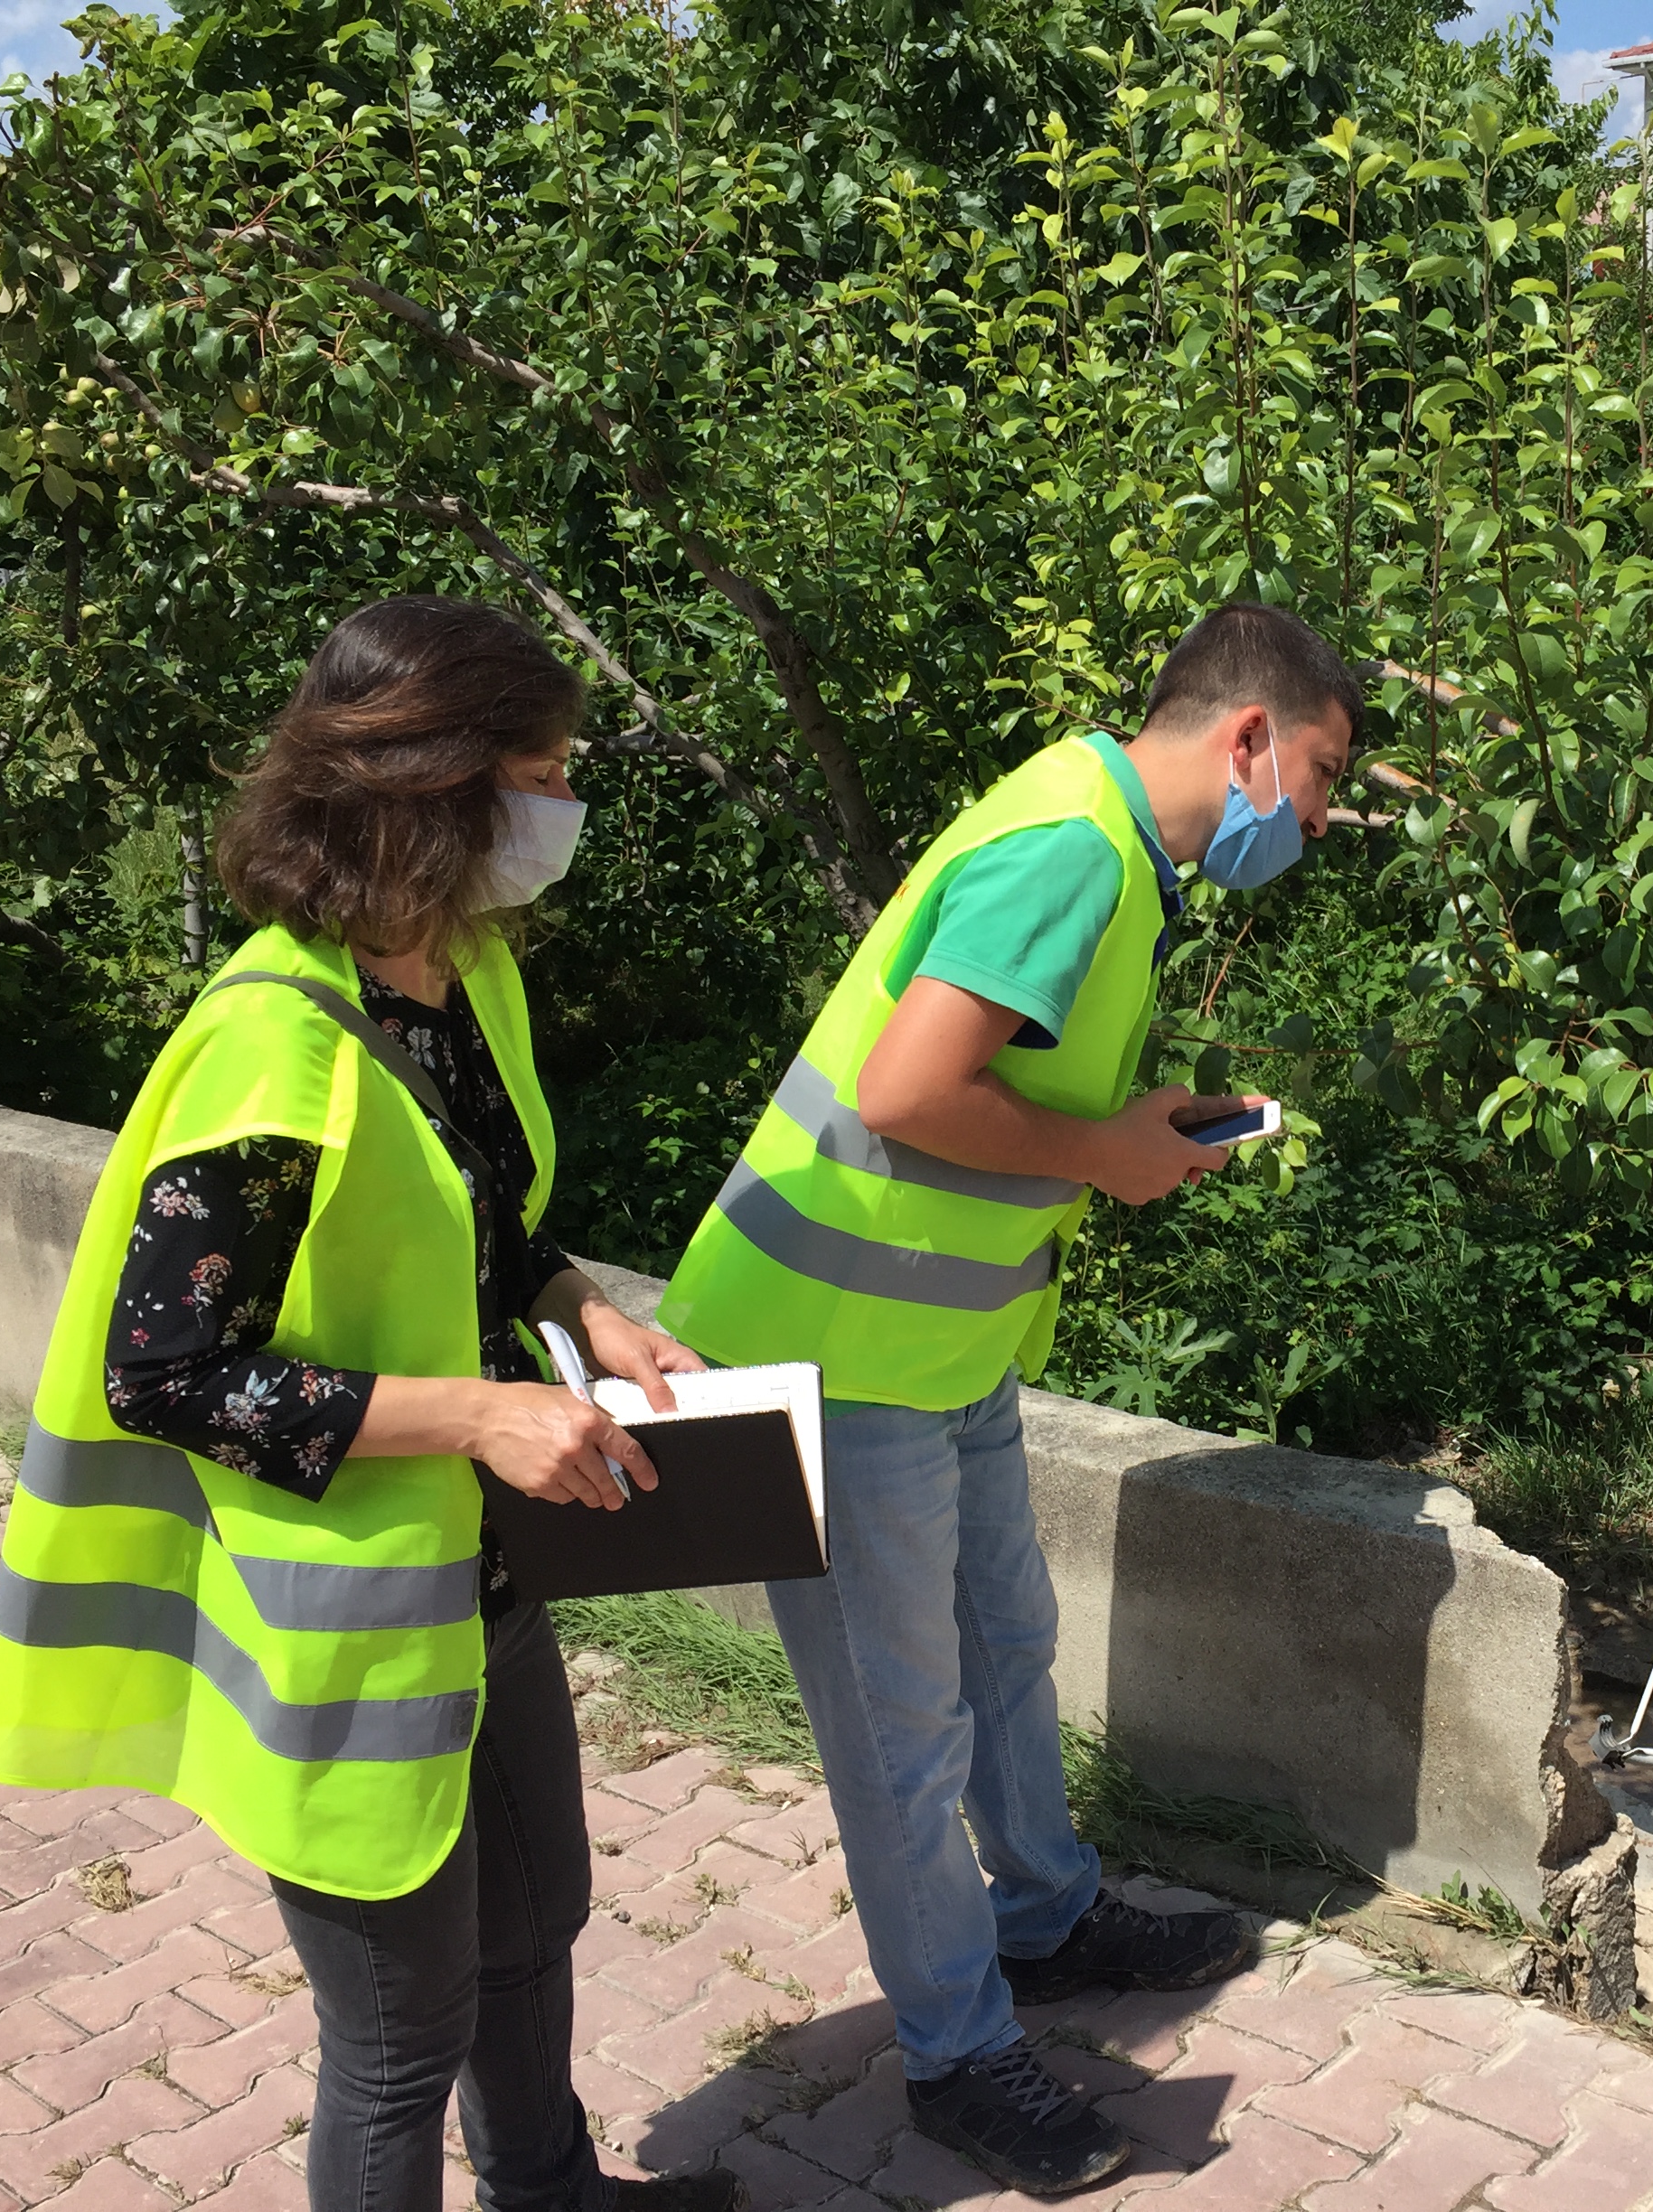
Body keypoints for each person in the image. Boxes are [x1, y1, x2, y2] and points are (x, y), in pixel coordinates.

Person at [0, 595, 723, 2212]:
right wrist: (477, 1417)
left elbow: (484, 1224)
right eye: (547, 769)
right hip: (344, 1624)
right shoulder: (271, 1046)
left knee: (538, 1927)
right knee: (396, 2038)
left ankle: (554, 2193)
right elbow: (163, 1371)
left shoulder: (463, 979)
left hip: (486, 1582)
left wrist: (591, 1312)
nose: (565, 805)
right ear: (441, 784)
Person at [656, 602, 1359, 2197]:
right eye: (1317, 775)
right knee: (905, 1732)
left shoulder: (1100, 828)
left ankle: (1042, 1917)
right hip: (839, 1356)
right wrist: (1106, 1155)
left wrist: (1121, 1123)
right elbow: (911, 1091)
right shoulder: (1077, 849)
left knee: (1005, 1645)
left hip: (934, 1346)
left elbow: (998, 1080)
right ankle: (960, 2057)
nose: (1315, 820)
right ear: (1248, 736)